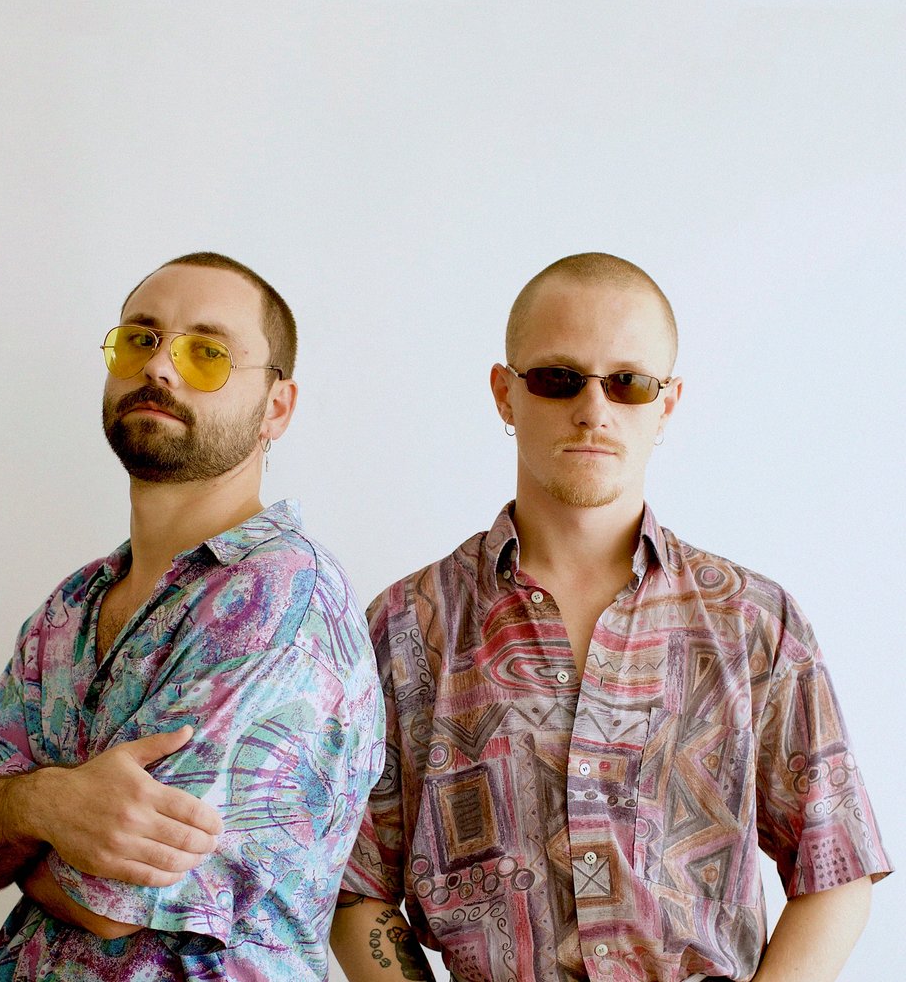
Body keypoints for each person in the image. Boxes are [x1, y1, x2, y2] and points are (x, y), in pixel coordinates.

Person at [330, 253, 892, 982]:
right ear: (505, 393)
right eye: (558, 378)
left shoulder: (753, 622)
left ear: (668, 403)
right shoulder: (406, 628)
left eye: (628, 382)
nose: (593, 410)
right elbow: (355, 881)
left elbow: (836, 863)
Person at [0, 251, 385, 981]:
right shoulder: (73, 604)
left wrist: (11, 824)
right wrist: (45, 803)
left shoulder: (281, 600)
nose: (160, 367)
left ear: (276, 407)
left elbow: (113, 900)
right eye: (140, 339)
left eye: (207, 353)